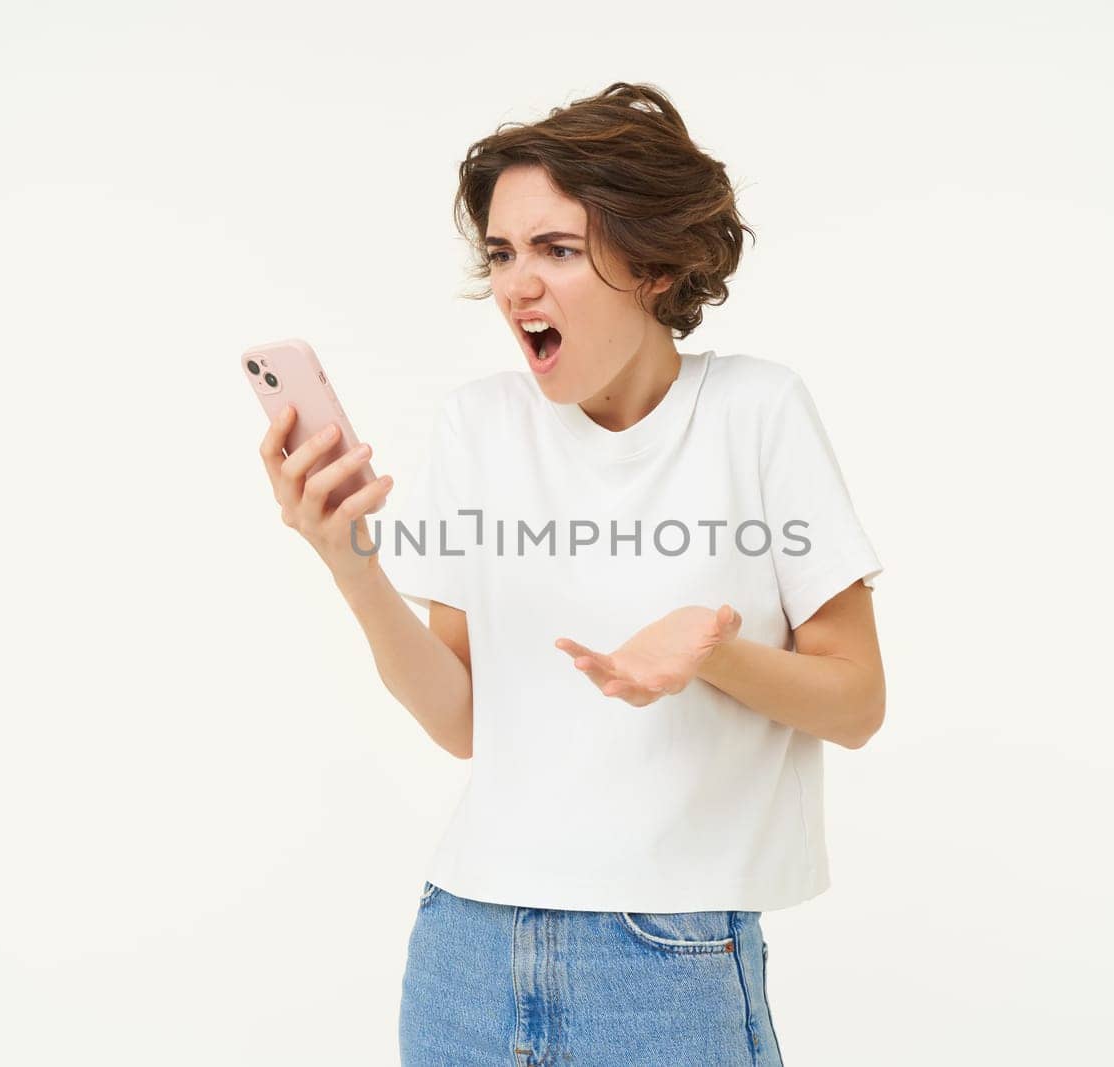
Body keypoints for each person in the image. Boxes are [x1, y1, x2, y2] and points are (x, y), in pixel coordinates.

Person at [258, 82, 885, 1067]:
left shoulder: (756, 412)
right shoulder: (483, 423)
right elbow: (463, 720)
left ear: (651, 264)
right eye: (502, 253)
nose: (516, 286)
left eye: (555, 249)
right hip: (464, 942)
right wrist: (352, 567)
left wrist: (714, 654)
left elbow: (855, 702)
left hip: (665, 959)